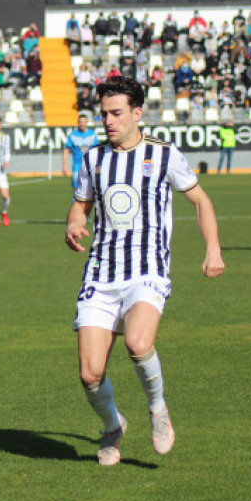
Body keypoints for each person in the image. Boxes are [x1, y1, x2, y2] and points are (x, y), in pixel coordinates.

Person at [64, 76, 225, 466]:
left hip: (147, 270)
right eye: (103, 113)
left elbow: (201, 201)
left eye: (116, 113)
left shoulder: (165, 155)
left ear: (138, 113)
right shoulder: (93, 158)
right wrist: (72, 223)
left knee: (138, 343)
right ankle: (113, 426)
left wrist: (213, 249)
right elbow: (80, 204)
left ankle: (158, 409)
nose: (108, 120)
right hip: (101, 273)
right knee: (90, 374)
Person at [63, 114, 100, 190]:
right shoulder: (72, 135)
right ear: (78, 123)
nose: (82, 124)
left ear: (86, 123)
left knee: (92, 185)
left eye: (84, 122)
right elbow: (66, 150)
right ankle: (76, 200)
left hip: (90, 164)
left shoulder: (92, 135)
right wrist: (65, 165)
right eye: (80, 122)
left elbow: (97, 149)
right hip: (77, 163)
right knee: (76, 184)